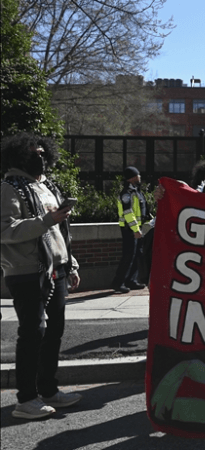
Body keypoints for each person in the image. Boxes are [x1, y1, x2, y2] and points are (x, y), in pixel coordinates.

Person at [1, 132, 82, 419]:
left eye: (43, 153)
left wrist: (70, 265)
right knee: (33, 334)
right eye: (34, 153)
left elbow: (60, 232)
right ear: (19, 156)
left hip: (56, 270)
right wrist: (47, 219)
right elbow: (6, 230)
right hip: (27, 271)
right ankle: (25, 399)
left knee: (53, 333)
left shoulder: (47, 187)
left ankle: (48, 391)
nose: (41, 158)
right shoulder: (9, 188)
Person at [111, 166, 150, 294]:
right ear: (132, 177)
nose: (140, 177)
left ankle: (131, 281)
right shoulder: (127, 193)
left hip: (136, 227)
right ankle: (118, 283)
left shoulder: (135, 191)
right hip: (130, 229)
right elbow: (128, 213)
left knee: (137, 255)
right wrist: (135, 229)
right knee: (128, 256)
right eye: (138, 174)